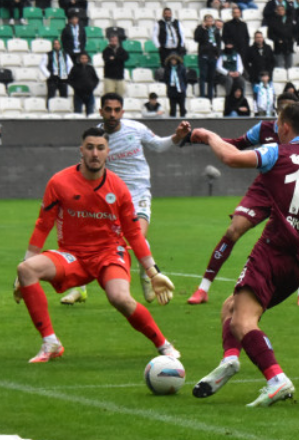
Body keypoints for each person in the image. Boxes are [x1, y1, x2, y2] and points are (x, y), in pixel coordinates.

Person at [189, 103, 299, 407]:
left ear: (285, 127)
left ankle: (276, 378)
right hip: (298, 264)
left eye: (278, 125)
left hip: (271, 251)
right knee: (232, 307)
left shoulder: (277, 152)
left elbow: (229, 156)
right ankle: (230, 359)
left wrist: (208, 135)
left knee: (243, 322)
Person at [13, 127, 180, 363]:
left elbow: (133, 234)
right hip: (73, 256)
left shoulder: (118, 187)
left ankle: (163, 344)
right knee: (25, 270)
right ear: (81, 150)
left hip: (109, 254)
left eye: (100, 148)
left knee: (120, 298)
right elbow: (43, 225)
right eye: (90, 147)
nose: (95, 153)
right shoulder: (59, 182)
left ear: (107, 152)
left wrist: (153, 272)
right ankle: (50, 343)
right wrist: (25, 263)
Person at [187, 92, 299, 306]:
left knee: (297, 238)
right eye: (282, 109)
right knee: (233, 231)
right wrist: (206, 139)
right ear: (277, 110)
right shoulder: (264, 129)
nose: (284, 114)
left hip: (291, 192)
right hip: (265, 189)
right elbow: (237, 145)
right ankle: (203, 288)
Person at [59, 94, 191, 305]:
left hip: (137, 192)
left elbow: (157, 145)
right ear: (101, 111)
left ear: (122, 111)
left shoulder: (136, 129)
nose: (113, 114)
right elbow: (84, 166)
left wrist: (177, 136)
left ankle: (148, 279)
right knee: (84, 239)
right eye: (108, 109)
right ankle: (79, 289)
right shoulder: (96, 137)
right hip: (107, 195)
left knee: (136, 235)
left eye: (117, 109)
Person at [195, 14, 222, 101]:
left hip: (212, 56)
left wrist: (218, 54)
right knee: (203, 76)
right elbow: (197, 39)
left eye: (211, 21)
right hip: (203, 56)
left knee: (211, 77)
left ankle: (210, 96)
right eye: (208, 21)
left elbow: (218, 43)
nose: (209, 22)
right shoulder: (200, 28)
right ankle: (202, 95)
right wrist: (203, 29)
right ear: (204, 21)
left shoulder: (216, 30)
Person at [39, 39, 72, 107]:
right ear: (53, 45)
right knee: (51, 95)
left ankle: (64, 109)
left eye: (58, 44)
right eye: (55, 44)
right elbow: (42, 65)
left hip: (63, 77)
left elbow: (70, 65)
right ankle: (49, 109)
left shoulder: (65, 54)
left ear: (60, 45)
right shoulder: (48, 54)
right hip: (52, 77)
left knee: (64, 95)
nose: (56, 45)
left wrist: (67, 73)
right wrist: (48, 75)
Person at [67, 52, 98, 116]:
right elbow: (70, 80)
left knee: (90, 113)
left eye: (85, 58)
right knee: (77, 113)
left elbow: (96, 79)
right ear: (79, 59)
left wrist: (92, 86)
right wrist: (76, 87)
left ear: (88, 59)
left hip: (89, 93)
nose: (84, 60)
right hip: (78, 93)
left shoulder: (90, 68)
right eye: (82, 58)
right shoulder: (75, 68)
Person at [268, 4, 295, 69]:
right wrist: (277, 40)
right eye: (279, 10)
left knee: (289, 67)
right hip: (279, 48)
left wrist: (293, 38)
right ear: (276, 11)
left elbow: (294, 31)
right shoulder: (272, 21)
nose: (281, 11)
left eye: (282, 10)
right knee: (280, 67)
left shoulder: (289, 20)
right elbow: (270, 35)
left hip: (289, 46)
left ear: (285, 11)